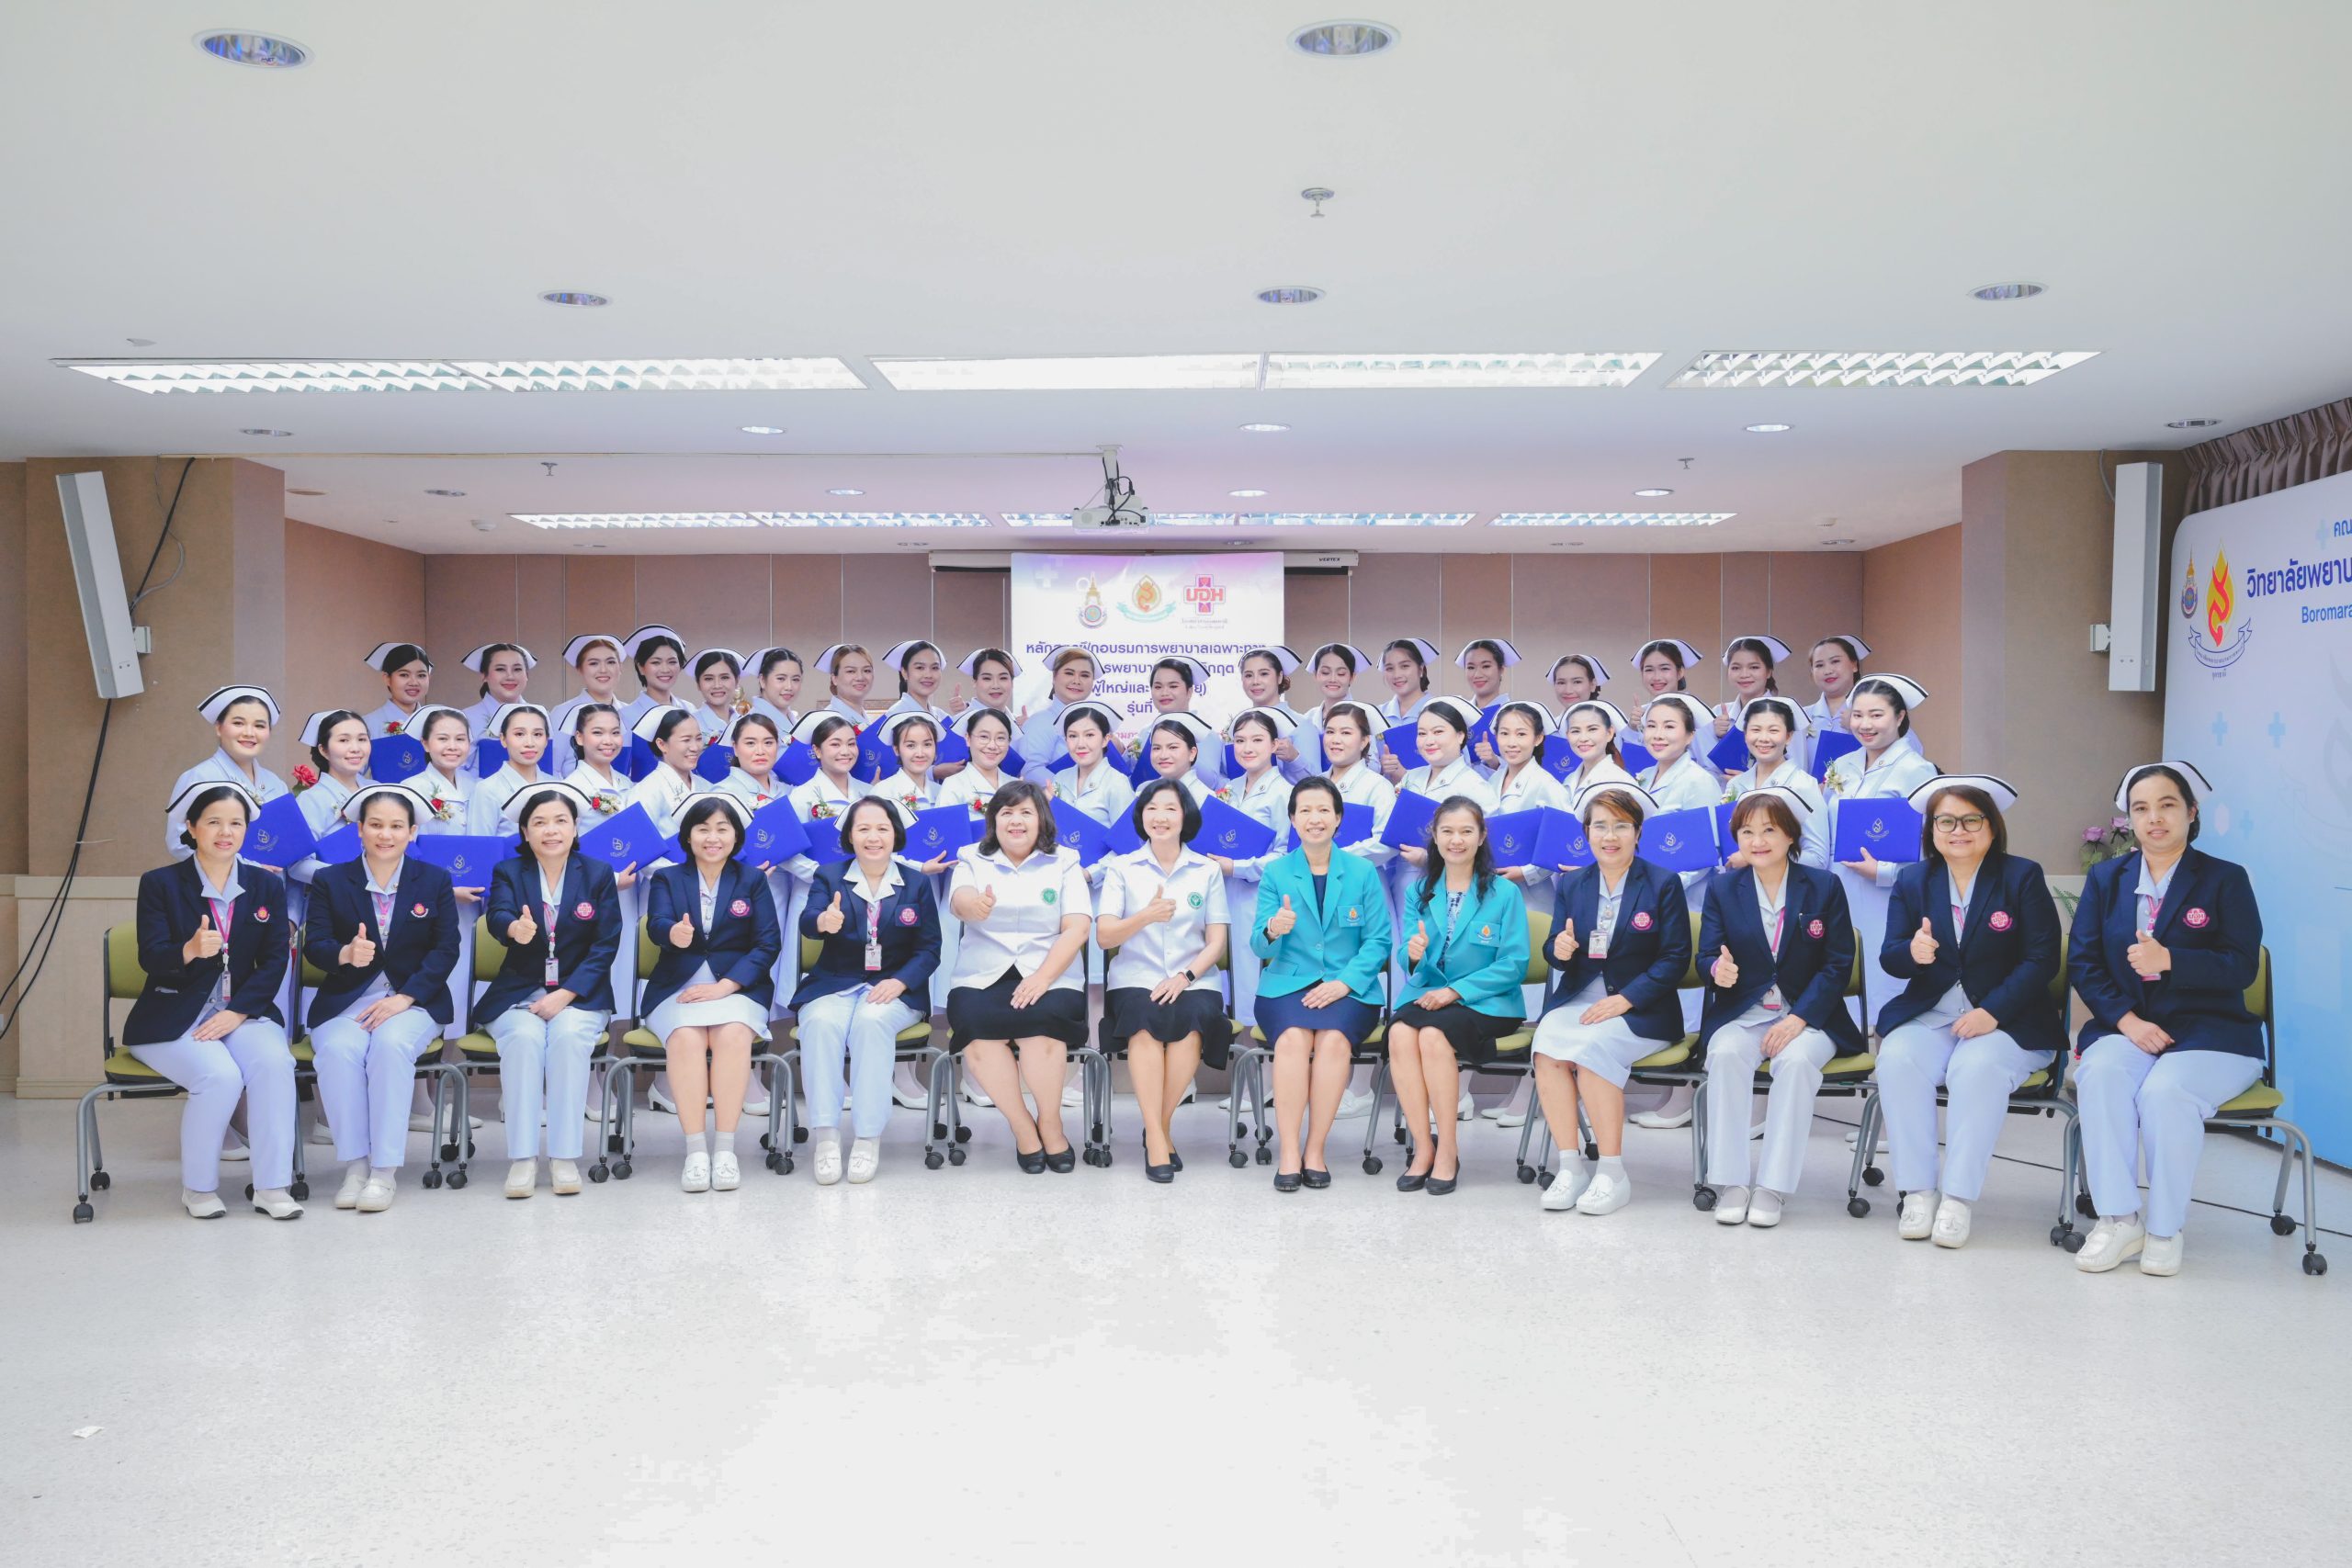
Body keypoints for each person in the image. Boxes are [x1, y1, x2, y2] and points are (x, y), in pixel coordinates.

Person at [2068, 762, 2263, 1278]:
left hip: (2210, 1031)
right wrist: (2126, 1020)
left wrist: (2172, 959)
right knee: (2101, 1073)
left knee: (2165, 1093)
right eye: (2141, 808)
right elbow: (2083, 961)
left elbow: (2242, 965)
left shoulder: (2225, 879)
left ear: (2191, 812)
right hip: (2129, 1025)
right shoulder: (2107, 878)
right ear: (2130, 819)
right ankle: (2118, 1219)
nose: (2154, 818)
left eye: (2167, 805)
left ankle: (2164, 1228)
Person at [1872, 774, 2064, 1247]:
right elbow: (1890, 956)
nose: (1958, 831)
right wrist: (1912, 952)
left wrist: (1992, 1011)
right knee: (1896, 1058)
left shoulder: (2021, 876)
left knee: (1976, 1068)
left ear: (1992, 827)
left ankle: (1957, 1199)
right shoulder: (1913, 880)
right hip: (1933, 1014)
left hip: (2008, 1020)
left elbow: (2042, 958)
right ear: (1931, 831)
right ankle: (1918, 1192)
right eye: (1946, 822)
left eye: (1971, 820)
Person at [128, 781, 300, 1219]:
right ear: (191, 827)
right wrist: (187, 950)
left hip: (241, 1012)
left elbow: (275, 959)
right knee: (220, 1076)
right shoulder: (160, 883)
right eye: (214, 822)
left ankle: (272, 1187)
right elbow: (151, 956)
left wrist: (238, 1012)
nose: (226, 832)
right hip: (173, 1014)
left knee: (276, 1064)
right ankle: (199, 1189)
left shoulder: (265, 885)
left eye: (236, 824)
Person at [1697, 786, 1863, 1228]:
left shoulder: (1824, 887)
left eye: (1769, 830)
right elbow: (1706, 954)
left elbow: (1838, 964)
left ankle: (1773, 1186)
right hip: (1746, 1013)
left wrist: (1798, 1018)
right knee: (1725, 1054)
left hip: (1810, 1017)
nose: (1758, 841)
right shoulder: (1723, 888)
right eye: (1747, 832)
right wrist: (1717, 970)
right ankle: (1731, 1182)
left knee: (1796, 1062)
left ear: (1791, 835)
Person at [1530, 782, 1692, 1215]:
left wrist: (1628, 1000)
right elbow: (1554, 947)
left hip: (1642, 1009)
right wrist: (1559, 949)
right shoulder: (1573, 883)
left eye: (1621, 826)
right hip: (1579, 1001)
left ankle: (1612, 1172)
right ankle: (1570, 1166)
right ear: (1587, 833)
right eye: (1600, 826)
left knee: (1593, 1049)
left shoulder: (1662, 883)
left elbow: (1676, 958)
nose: (1610, 836)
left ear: (1638, 832)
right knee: (1546, 1046)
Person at [304, 783, 460, 1213]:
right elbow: (315, 944)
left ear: (412, 832)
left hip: (414, 1001)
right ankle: (356, 1167)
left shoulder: (434, 880)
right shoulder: (330, 880)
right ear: (359, 829)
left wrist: (405, 998)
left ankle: (384, 1172)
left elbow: (446, 949)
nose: (385, 835)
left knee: (390, 1048)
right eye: (375, 825)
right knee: (337, 1051)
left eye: (396, 826)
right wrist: (344, 953)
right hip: (347, 1000)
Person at [481, 780, 621, 1200]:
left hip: (580, 994)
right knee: (524, 1041)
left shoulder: (597, 873)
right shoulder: (509, 871)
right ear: (525, 832)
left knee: (568, 1039)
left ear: (575, 828)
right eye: (539, 822)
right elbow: (497, 914)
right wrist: (513, 928)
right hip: (519, 992)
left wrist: (566, 994)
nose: (551, 830)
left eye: (560, 820)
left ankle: (564, 1157)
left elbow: (606, 944)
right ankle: (522, 1159)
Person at [1253, 777, 1395, 1188]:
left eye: (1323, 810)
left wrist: (1345, 983)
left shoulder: (1362, 872)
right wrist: (1273, 929)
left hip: (1349, 987)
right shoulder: (1276, 872)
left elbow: (1379, 940)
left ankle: (1315, 1149)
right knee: (1292, 1041)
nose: (1314, 819)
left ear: (1338, 819)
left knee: (1333, 1041)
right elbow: (1258, 945)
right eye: (1305, 811)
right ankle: (1289, 1152)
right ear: (1293, 819)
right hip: (1286, 985)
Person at [794, 797, 943, 1186]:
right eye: (863, 829)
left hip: (895, 987)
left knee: (871, 1023)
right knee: (820, 1024)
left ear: (895, 834)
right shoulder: (830, 876)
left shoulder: (915, 882)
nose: (873, 837)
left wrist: (901, 982)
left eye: (882, 828)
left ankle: (867, 1138)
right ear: (849, 836)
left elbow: (929, 949)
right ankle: (826, 1137)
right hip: (835, 982)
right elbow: (808, 921)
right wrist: (823, 921)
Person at [945, 783, 1093, 1172]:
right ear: (994, 820)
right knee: (978, 1032)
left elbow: (1077, 927)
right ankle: (1022, 1126)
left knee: (1041, 1029)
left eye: (1026, 812)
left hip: (1051, 973)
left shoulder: (1065, 861)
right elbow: (960, 901)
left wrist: (1043, 978)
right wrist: (975, 907)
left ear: (1041, 819)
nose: (1016, 821)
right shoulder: (971, 857)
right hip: (982, 975)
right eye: (1007, 812)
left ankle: (1051, 1123)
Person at [641, 792, 783, 1194]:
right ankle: (695, 1152)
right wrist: (673, 932)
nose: (713, 838)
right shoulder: (668, 878)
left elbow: (767, 943)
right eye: (703, 829)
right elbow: (656, 924)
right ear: (688, 837)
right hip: (678, 988)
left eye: (722, 829)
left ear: (736, 837)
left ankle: (724, 1150)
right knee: (686, 1038)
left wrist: (725, 986)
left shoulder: (752, 880)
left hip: (736, 987)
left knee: (733, 1035)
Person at [1387, 798, 1529, 1193]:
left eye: (1467, 831)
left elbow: (1514, 964)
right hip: (1428, 994)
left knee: (1434, 1036)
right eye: (1447, 831)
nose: (1456, 840)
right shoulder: (1420, 891)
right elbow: (1408, 957)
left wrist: (1455, 991)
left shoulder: (1504, 892)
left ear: (1481, 837)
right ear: (1434, 837)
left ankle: (1447, 1149)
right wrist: (1412, 954)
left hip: (1487, 1001)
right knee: (1399, 1033)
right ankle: (1423, 1147)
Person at [1094, 778, 1231, 1180]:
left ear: (1185, 816)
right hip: (1135, 976)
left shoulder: (1206, 869)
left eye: (1171, 808)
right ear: (1141, 816)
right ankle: (1158, 1138)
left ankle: (1157, 1128)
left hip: (1194, 978)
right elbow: (1105, 937)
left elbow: (1217, 941)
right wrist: (1145, 916)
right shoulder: (1122, 868)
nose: (1160, 817)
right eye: (1152, 808)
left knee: (1193, 1022)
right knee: (1144, 1023)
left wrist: (1184, 977)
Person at [1823, 673, 1939, 1019]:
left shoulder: (1917, 770)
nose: (1865, 724)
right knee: (1842, 971)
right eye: (1858, 715)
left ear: (1900, 716)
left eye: (1876, 715)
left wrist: (1884, 871)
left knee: (1881, 977)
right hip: (1840, 887)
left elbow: (1931, 845)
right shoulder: (1842, 765)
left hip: (1887, 895)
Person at [778, 711, 875, 1014]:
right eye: (835, 744)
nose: (845, 751)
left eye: (851, 743)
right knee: (814, 972)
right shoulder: (802, 796)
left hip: (863, 894)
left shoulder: (868, 794)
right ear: (817, 751)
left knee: (863, 973)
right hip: (814, 894)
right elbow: (786, 852)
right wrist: (820, 874)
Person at [167, 685, 290, 863]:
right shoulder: (199, 778)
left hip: (275, 879)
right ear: (219, 727)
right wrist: (248, 867)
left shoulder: (276, 784)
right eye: (238, 723)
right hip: (220, 879)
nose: (249, 733)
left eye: (259, 725)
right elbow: (179, 843)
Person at [1721, 698, 1830, 870]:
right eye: (1756, 730)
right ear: (1745, 735)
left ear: (1788, 736)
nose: (1764, 738)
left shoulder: (1803, 785)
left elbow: (1818, 858)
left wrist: (1755, 856)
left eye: (1773, 730)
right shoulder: (1735, 785)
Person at [287, 710, 375, 891]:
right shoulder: (311, 799)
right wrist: (347, 877)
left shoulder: (378, 789)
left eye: (362, 739)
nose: (356, 748)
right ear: (323, 750)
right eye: (344, 740)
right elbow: (297, 865)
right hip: (336, 896)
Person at [466, 702, 556, 837]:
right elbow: (481, 845)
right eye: (519, 734)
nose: (529, 743)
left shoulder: (556, 786)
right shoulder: (487, 789)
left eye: (537, 734)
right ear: (503, 739)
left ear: (546, 740)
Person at [1017, 645, 1099, 785]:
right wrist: (1071, 791)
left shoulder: (1098, 723)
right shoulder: (1040, 722)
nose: (1077, 681)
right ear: (1054, 677)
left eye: (1085, 675)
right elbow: (1030, 770)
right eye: (1069, 673)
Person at [547, 634, 625, 775]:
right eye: (594, 663)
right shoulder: (563, 712)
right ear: (580, 669)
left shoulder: (629, 713)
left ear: (620, 668)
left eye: (611, 662)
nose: (603, 670)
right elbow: (552, 768)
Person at [1051, 700, 1137, 826]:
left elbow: (1125, 834)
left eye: (1089, 735)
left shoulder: (1117, 783)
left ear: (1105, 740)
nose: (1080, 744)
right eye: (1073, 736)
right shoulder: (1060, 777)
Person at [625, 707, 705, 837]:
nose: (695, 747)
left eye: (699, 738)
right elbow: (637, 839)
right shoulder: (647, 790)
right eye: (686, 740)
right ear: (662, 744)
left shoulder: (706, 786)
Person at [1295, 641, 1372, 773]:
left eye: (1341, 674)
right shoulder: (1307, 719)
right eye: (1325, 672)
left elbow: (1374, 764)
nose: (1333, 679)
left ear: (1352, 677)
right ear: (1315, 675)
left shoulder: (1366, 716)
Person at [1238, 646, 1312, 780]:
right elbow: (1223, 774)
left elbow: (1318, 782)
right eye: (1248, 675)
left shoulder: (1301, 725)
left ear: (1279, 677)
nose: (1255, 681)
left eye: (1264, 674)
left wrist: (1294, 758)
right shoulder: (1238, 726)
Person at [457, 643, 536, 769]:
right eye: (500, 669)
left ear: (527, 675)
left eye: (517, 669)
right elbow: (456, 769)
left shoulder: (541, 716)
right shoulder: (465, 719)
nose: (510, 676)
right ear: (484, 675)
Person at [1801, 634, 1871, 771]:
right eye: (1819, 665)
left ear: (1854, 665)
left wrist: (1860, 725)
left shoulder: (1876, 713)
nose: (1828, 671)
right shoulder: (1801, 716)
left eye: (1835, 661)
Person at [1711, 635, 1790, 749]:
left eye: (1754, 667)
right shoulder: (1717, 714)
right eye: (1736, 668)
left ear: (1769, 672)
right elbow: (1704, 758)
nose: (1744, 675)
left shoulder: (1787, 712)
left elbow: (1797, 758)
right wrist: (1719, 737)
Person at [1456, 637, 1519, 768]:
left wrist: (1494, 762)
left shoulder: (1518, 715)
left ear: (1501, 669)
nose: (1477, 674)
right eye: (1471, 667)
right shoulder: (1458, 712)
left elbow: (1525, 766)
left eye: (1486, 666)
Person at [1557, 700, 1639, 797]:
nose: (1583, 738)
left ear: (1609, 733)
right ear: (1567, 735)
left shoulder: (1620, 782)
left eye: (1592, 729)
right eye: (1575, 731)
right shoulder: (1569, 779)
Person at [619, 625, 689, 732]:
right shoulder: (625, 716)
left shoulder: (689, 709)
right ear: (641, 668)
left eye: (672, 662)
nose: (665, 669)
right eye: (656, 662)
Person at [1139, 712, 1218, 806]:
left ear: (1192, 753)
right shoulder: (1143, 790)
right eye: (1156, 748)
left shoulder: (1207, 799)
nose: (1163, 755)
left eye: (1173, 747)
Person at [361, 642, 434, 738]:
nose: (414, 682)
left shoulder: (438, 723)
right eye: (404, 675)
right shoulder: (366, 725)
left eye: (421, 675)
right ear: (387, 679)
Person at [814, 642, 876, 727]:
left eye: (867, 670)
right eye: (851, 671)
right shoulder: (827, 721)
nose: (860, 677)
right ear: (834, 678)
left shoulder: (868, 719)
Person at [689, 648, 746, 738]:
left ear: (737, 681)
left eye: (724, 677)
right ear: (698, 684)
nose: (717, 685)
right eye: (709, 679)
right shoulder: (689, 724)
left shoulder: (747, 723)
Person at [744, 646, 804, 731]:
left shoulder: (795, 719)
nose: (789, 687)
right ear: (762, 680)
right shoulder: (751, 725)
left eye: (795, 679)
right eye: (781, 678)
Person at [1633, 637, 1701, 699]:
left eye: (1665, 668)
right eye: (1649, 670)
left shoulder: (1693, 707)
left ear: (1680, 672)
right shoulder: (1646, 708)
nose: (1657, 678)